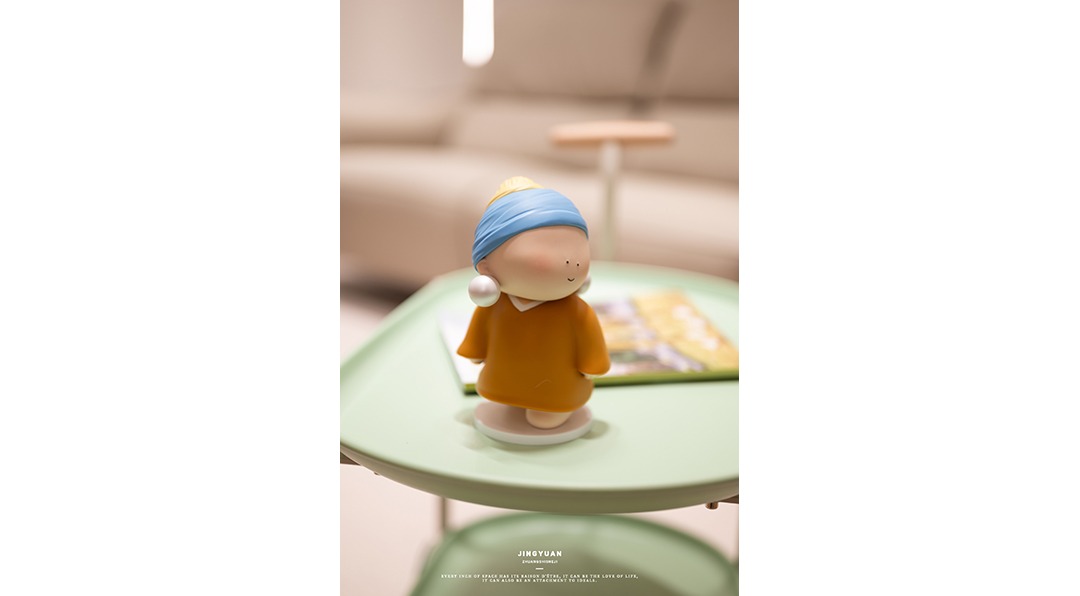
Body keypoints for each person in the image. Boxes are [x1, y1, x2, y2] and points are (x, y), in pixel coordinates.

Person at [458, 177, 610, 429]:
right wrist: (475, 351)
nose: (571, 261)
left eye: (577, 247)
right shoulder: (496, 306)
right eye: (550, 247)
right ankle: (510, 396)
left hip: (556, 388)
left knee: (550, 403)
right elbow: (479, 333)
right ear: (487, 267)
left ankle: (552, 408)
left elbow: (590, 342)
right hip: (502, 377)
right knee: (502, 389)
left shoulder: (576, 311)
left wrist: (592, 365)